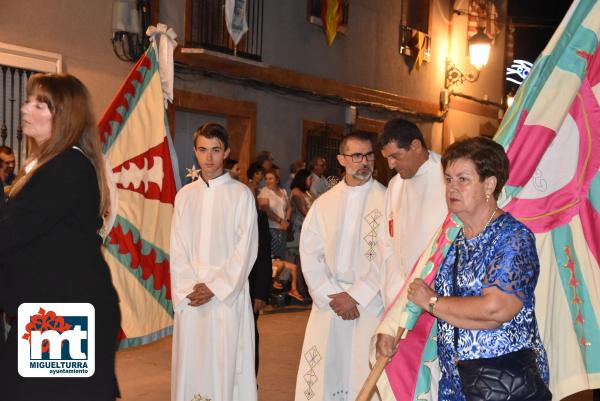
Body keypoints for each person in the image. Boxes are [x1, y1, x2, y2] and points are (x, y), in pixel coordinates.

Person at [377, 136, 550, 401]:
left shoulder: (512, 238)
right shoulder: (451, 239)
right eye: (448, 179)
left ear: (489, 184)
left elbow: (495, 309)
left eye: (463, 179)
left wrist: (432, 302)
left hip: (503, 384)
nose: (452, 188)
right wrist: (393, 329)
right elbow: (421, 290)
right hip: (455, 384)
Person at [0, 73, 120, 400]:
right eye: (28, 101)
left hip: (64, 313)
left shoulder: (67, 167)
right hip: (50, 308)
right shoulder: (45, 165)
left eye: (40, 105)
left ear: (64, 115)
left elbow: (12, 230)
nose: (26, 110)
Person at [294, 131, 386, 401]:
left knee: (363, 374)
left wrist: (355, 296)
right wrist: (332, 295)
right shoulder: (323, 204)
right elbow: (310, 254)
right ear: (341, 159)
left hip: (368, 305)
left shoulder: (388, 200)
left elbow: (389, 258)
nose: (364, 162)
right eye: (356, 156)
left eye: (368, 155)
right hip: (330, 304)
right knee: (325, 375)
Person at [170, 123, 258, 401]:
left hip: (225, 298)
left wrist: (215, 287)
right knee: (192, 365)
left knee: (226, 366)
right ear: (195, 151)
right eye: (203, 150)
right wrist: (188, 287)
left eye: (216, 150)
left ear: (227, 152)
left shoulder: (241, 195)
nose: (208, 158)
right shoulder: (185, 196)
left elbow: (246, 250)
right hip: (192, 296)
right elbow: (178, 247)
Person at [377, 118, 447, 304]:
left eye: (395, 156)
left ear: (415, 146)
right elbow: (386, 242)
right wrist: (393, 292)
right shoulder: (395, 185)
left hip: (439, 293)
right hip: (401, 292)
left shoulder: (449, 177)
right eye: (387, 159)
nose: (391, 165)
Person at [258, 169, 291, 259]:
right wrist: (280, 221)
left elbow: (289, 208)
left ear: (277, 180)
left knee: (281, 255)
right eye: (266, 179)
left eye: (270, 178)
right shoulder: (264, 192)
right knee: (273, 256)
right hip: (270, 228)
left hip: (282, 228)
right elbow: (266, 210)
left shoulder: (283, 191)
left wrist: (287, 220)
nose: (267, 181)